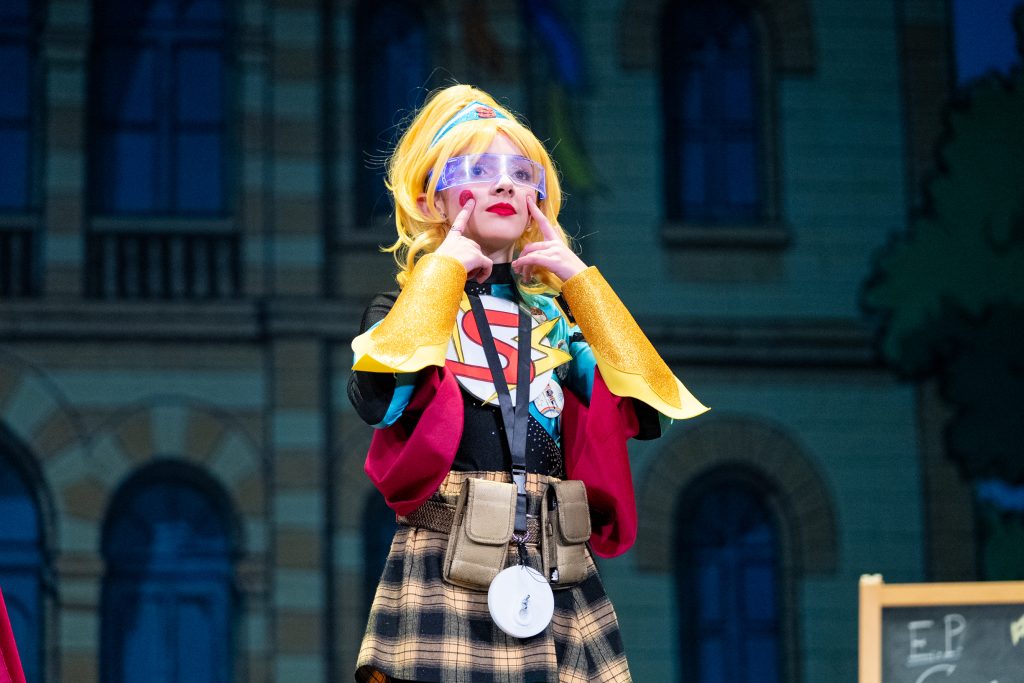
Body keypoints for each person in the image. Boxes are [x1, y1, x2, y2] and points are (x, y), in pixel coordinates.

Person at [348, 84, 707, 683]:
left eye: (521, 173)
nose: (505, 185)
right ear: (430, 196)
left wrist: (581, 285)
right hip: (449, 562)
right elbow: (377, 397)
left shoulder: (559, 324)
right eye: (478, 170)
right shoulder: (402, 312)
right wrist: (444, 270)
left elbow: (649, 408)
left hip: (555, 567)